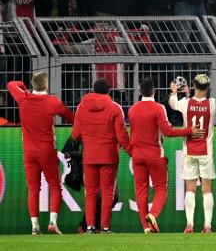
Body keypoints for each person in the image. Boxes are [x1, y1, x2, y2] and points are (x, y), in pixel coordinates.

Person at [7, 72, 74, 235]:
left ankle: (35, 226)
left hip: (29, 151)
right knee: (55, 186)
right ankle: (52, 222)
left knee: (33, 189)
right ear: (45, 85)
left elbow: (10, 84)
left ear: (33, 85)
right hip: (47, 151)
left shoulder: (23, 98)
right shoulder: (53, 102)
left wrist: (23, 87)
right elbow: (72, 118)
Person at [127, 78, 192, 233]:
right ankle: (153, 214)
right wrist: (188, 130)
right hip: (155, 154)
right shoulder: (158, 108)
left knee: (141, 191)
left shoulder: (132, 109)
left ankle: (146, 227)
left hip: (137, 155)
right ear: (154, 91)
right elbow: (168, 132)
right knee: (161, 188)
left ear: (140, 90)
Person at [70, 78, 131, 233]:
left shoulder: (81, 107)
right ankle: (104, 227)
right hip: (109, 156)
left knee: (90, 192)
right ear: (109, 91)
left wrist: (73, 148)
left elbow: (75, 134)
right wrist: (132, 152)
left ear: (93, 90)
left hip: (89, 156)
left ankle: (90, 227)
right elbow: (122, 135)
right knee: (108, 192)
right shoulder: (115, 108)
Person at [168, 74, 216, 233]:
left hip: (189, 151)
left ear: (193, 86)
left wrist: (174, 91)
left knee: (190, 189)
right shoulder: (213, 104)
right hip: (206, 152)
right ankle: (207, 225)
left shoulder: (185, 103)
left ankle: (189, 224)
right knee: (207, 189)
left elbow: (172, 103)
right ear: (208, 88)